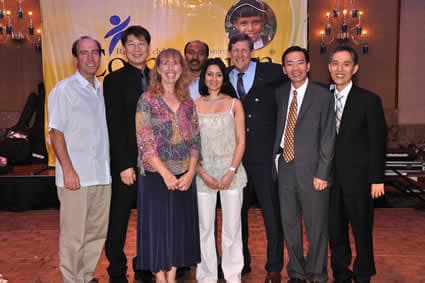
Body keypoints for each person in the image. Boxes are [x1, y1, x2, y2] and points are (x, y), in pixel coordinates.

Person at [48, 35, 111, 283]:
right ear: (75, 58)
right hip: (76, 177)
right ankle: (72, 279)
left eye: (95, 52)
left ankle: (86, 276)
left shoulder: (101, 90)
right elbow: (55, 132)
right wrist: (68, 170)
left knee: (96, 235)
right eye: (84, 53)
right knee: (74, 236)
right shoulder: (64, 90)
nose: (90, 58)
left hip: (101, 175)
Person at [135, 48, 201, 283]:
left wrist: (191, 172)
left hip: (183, 176)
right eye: (166, 64)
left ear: (182, 69)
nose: (171, 68)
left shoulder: (187, 102)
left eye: (176, 64)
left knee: (177, 230)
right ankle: (160, 278)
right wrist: (165, 173)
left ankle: (171, 277)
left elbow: (195, 140)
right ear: (158, 69)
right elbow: (145, 142)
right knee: (158, 229)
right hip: (155, 175)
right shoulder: (147, 99)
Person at [273, 46, 335, 283]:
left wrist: (323, 172)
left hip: (313, 173)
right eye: (290, 63)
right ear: (284, 68)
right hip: (285, 168)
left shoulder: (322, 96)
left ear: (308, 66)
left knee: (316, 226)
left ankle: (318, 274)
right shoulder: (279, 94)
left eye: (300, 62)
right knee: (290, 226)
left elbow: (328, 137)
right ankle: (297, 273)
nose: (295, 68)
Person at [227, 33, 285, 283]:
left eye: (244, 50)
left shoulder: (271, 73)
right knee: (236, 215)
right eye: (235, 50)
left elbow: (296, 77)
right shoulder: (223, 78)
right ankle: (242, 262)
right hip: (234, 161)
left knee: (271, 214)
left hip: (263, 159)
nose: (240, 54)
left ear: (251, 51)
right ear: (229, 52)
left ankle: (274, 267)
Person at [328, 46, 387, 283]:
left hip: (360, 180)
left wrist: (377, 178)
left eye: (345, 64)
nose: (339, 69)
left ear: (355, 68)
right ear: (329, 66)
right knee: (335, 231)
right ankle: (341, 273)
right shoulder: (322, 98)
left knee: (362, 230)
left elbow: (377, 142)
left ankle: (363, 273)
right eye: (335, 63)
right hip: (329, 179)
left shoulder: (369, 100)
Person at [103, 25, 153, 283]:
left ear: (149, 47)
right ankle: (116, 268)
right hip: (127, 163)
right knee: (119, 217)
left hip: (155, 164)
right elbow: (115, 125)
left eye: (141, 43)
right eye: (131, 44)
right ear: (123, 49)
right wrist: (124, 164)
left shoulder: (158, 77)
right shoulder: (114, 80)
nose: (137, 49)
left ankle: (144, 266)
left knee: (148, 218)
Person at [195, 58, 247, 283]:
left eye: (218, 74)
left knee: (232, 228)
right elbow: (190, 145)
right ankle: (207, 275)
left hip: (231, 174)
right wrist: (202, 172)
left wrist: (231, 171)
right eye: (209, 74)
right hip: (203, 175)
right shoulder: (194, 105)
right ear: (203, 77)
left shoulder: (235, 104)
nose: (213, 78)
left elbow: (241, 141)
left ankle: (232, 274)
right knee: (205, 228)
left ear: (223, 79)